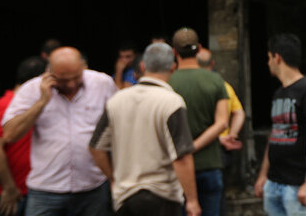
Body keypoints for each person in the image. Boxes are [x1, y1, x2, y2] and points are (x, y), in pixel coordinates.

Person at [2, 47, 118, 215]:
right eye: (63, 80)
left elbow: (118, 123)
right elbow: (10, 134)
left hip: (93, 187)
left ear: (84, 67)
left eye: (76, 78)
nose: (70, 84)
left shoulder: (102, 83)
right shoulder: (31, 89)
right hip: (46, 191)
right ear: (49, 72)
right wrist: (42, 102)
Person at [89, 42, 201, 216]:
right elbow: (182, 156)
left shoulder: (116, 101)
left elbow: (96, 147)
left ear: (142, 66)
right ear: (173, 67)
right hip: (162, 194)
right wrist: (192, 200)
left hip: (125, 195)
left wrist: (114, 178)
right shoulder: (171, 102)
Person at [254, 34, 306, 216]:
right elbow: (275, 134)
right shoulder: (278, 93)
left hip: (297, 186)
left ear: (277, 58)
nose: (268, 63)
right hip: (274, 183)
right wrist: (263, 176)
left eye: (268, 58)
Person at [169, 28, 230, 216]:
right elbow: (222, 123)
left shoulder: (168, 83)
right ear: (200, 48)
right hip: (210, 163)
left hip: (176, 167)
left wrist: (186, 149)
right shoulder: (215, 80)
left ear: (174, 52)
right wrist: (194, 146)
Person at [0, 57, 46, 216]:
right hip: (12, 194)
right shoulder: (5, 105)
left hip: (32, 189)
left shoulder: (30, 105)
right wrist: (9, 188)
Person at [196, 48, 245, 152]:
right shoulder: (225, 86)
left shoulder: (192, 87)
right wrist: (232, 135)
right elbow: (239, 113)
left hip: (199, 145)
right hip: (223, 146)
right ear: (212, 64)